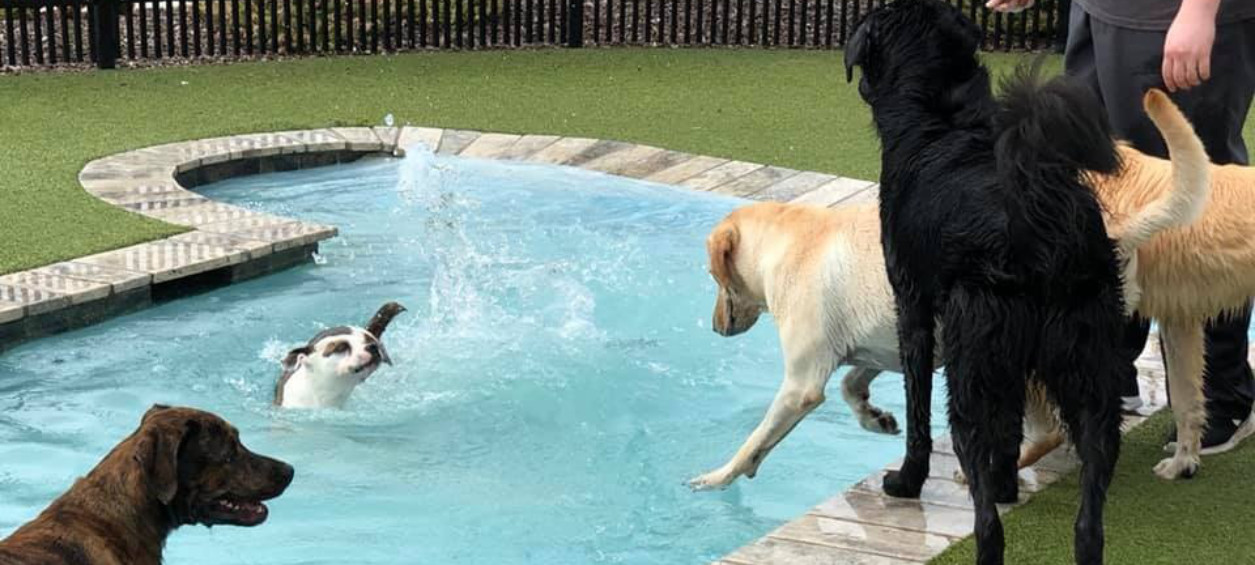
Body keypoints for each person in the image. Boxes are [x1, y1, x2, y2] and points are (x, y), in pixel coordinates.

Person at [987, 0, 1255, 453]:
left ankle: (1220, 393)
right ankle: (1109, 368)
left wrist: (1199, 10)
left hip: (1171, 17)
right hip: (1103, 13)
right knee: (1102, 192)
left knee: (1201, 204)